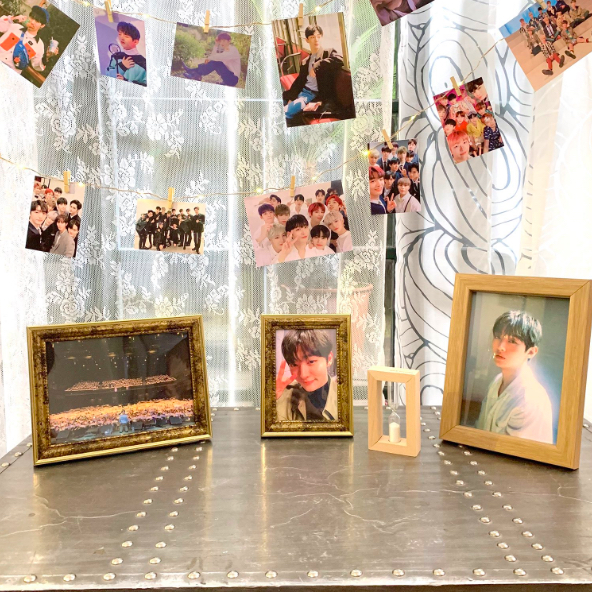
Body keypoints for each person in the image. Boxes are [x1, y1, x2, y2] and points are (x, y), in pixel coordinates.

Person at [475, 311, 554, 444]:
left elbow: (512, 453)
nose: (500, 347)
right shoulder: (497, 382)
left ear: (531, 352)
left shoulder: (528, 399)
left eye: (512, 341)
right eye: (498, 337)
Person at [282, 24, 346, 125]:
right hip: (302, 91)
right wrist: (291, 97)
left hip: (311, 95)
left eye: (318, 36)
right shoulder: (305, 61)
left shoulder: (328, 53)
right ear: (307, 40)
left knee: (284, 113)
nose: (316, 40)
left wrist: (317, 65)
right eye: (312, 37)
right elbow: (299, 81)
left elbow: (339, 60)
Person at [275, 329, 338, 421]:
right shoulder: (283, 394)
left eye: (311, 362)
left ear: (329, 359)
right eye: (294, 365)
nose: (303, 375)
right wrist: (273, 402)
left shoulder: (343, 395)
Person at [0, 5, 54, 77]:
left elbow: (37, 66)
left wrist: (47, 57)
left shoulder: (39, 45)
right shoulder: (15, 27)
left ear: (42, 25)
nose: (32, 22)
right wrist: (13, 18)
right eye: (32, 18)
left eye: (37, 21)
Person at [106, 21, 147, 86]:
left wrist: (126, 81)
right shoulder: (116, 56)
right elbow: (107, 76)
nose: (121, 38)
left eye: (126, 36)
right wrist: (122, 66)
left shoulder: (143, 62)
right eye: (120, 34)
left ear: (135, 41)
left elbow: (146, 84)